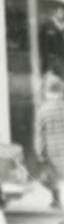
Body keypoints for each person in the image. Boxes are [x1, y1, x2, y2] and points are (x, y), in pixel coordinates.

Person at [35, 73, 64, 209]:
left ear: (47, 93)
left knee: (54, 176)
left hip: (52, 149)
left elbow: (40, 135)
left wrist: (40, 153)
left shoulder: (43, 110)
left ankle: (56, 201)